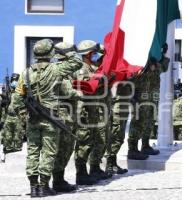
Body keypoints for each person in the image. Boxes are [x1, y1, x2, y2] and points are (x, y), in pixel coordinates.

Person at [13, 38, 83, 197]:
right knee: (49, 152)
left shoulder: (26, 72)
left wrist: (23, 114)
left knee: (33, 151)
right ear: (51, 53)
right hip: (51, 118)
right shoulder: (56, 69)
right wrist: (65, 51)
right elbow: (77, 62)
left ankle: (33, 187)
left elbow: (17, 97)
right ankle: (43, 186)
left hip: (33, 117)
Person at [74, 40, 111, 185]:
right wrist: (100, 81)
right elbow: (87, 87)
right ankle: (81, 173)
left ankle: (94, 168)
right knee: (84, 141)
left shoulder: (91, 67)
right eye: (94, 53)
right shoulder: (81, 69)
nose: (96, 55)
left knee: (95, 140)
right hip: (85, 111)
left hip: (94, 109)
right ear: (88, 53)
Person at [51, 42, 83, 192]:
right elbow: (67, 92)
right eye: (71, 52)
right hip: (63, 115)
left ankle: (59, 179)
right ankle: (58, 181)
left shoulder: (64, 69)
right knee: (64, 148)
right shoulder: (60, 71)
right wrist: (84, 94)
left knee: (65, 148)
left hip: (67, 114)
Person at [1, 73, 27, 154]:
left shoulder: (21, 93)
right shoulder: (7, 93)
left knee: (18, 133)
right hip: (8, 116)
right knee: (7, 133)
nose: (14, 82)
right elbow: (3, 105)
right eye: (13, 80)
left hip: (18, 116)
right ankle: (8, 147)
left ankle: (17, 147)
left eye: (16, 80)